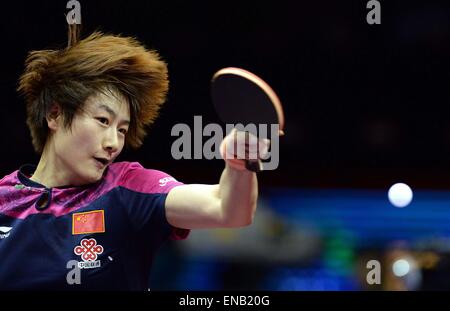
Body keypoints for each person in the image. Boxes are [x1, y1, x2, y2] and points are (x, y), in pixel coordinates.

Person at [0, 25, 269, 290]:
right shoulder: (4, 200)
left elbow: (228, 209)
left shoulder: (128, 189)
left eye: (122, 130)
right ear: (55, 115)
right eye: (102, 120)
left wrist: (239, 166)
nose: (113, 143)